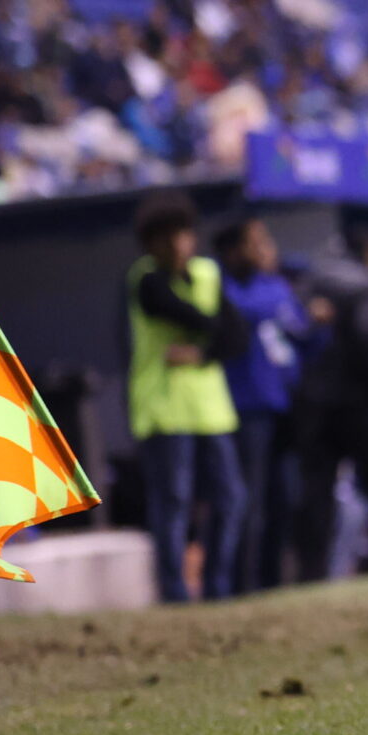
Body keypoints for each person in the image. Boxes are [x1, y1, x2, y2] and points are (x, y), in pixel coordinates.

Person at [126, 192, 247, 602]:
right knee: (173, 501)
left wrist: (201, 350)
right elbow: (183, 314)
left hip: (210, 407)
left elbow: (237, 336)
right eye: (166, 238)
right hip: (163, 408)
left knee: (230, 498)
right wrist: (214, 335)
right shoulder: (145, 279)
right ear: (151, 243)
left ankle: (217, 585)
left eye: (183, 235)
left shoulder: (209, 275)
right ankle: (174, 590)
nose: (178, 245)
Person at [293, 224, 368, 578]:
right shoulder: (365, 282)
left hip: (312, 401)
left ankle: (311, 571)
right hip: (357, 401)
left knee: (316, 491)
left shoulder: (310, 279)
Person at [215, 215, 309, 594]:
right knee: (248, 502)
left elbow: (299, 331)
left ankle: (273, 581)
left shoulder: (276, 286)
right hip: (245, 406)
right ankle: (243, 585)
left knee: (284, 497)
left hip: (283, 405)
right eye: (256, 241)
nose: (265, 248)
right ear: (235, 250)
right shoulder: (222, 288)